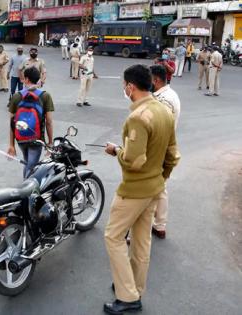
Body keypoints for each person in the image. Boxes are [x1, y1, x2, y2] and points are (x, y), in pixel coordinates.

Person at [103, 64, 180, 315]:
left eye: (124, 86)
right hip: (154, 188)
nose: (124, 90)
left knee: (113, 237)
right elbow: (172, 156)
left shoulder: (139, 117)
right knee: (141, 241)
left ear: (130, 87)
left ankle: (127, 298)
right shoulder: (164, 111)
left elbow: (134, 161)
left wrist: (116, 150)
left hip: (134, 190)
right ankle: (134, 288)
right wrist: (160, 178)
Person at [150, 65, 181, 239]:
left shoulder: (164, 100)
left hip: (158, 150)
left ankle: (136, 232)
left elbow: (158, 126)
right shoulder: (169, 95)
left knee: (146, 189)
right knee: (161, 189)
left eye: (149, 79)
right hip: (165, 147)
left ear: (156, 80)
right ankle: (160, 225)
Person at [7, 67, 54, 178]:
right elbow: (49, 122)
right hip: (36, 139)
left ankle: (26, 186)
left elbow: (12, 123)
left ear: (26, 79)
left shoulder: (17, 96)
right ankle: (27, 191)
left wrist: (11, 144)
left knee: (28, 163)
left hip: (20, 137)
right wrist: (50, 142)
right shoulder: (45, 96)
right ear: (38, 79)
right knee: (31, 167)